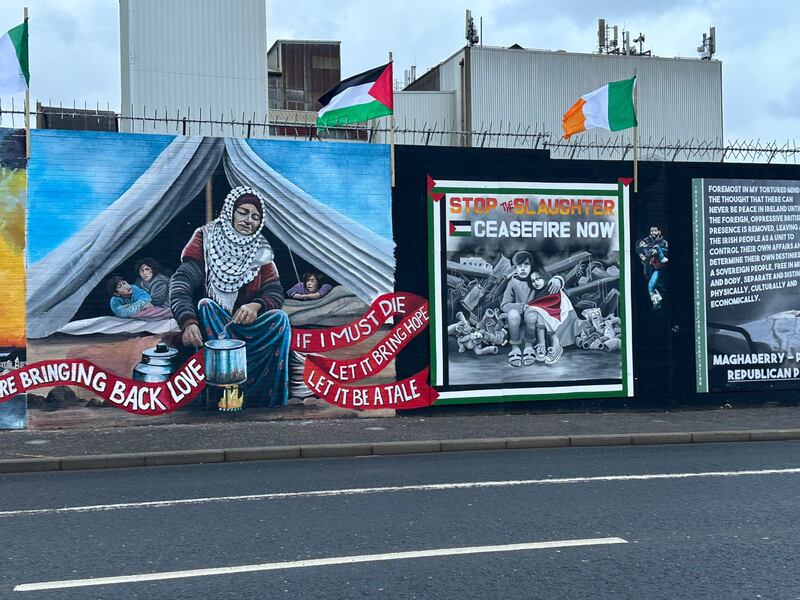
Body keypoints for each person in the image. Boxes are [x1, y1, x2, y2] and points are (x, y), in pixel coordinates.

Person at [170, 186, 291, 408]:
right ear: (230, 211)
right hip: (210, 327)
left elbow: (274, 291)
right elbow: (181, 284)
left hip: (246, 328)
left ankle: (265, 403)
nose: (248, 220)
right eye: (243, 212)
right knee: (206, 305)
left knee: (280, 319)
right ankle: (222, 397)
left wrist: (256, 305)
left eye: (255, 217)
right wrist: (188, 322)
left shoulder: (261, 249)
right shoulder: (205, 237)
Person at [501, 251, 571, 367]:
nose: (523, 269)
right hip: (517, 318)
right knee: (513, 313)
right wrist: (520, 307)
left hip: (534, 318)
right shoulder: (512, 282)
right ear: (515, 267)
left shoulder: (535, 278)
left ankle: (529, 347)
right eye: (519, 266)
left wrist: (558, 280)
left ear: (531, 266)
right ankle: (515, 348)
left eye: (526, 265)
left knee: (533, 313)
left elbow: (551, 279)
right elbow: (504, 305)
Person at [637, 226, 669, 309]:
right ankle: (656, 300)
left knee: (652, 286)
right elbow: (640, 248)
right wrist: (642, 256)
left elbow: (666, 251)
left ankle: (657, 301)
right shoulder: (646, 240)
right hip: (648, 267)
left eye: (654, 231)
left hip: (658, 267)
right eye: (651, 231)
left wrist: (658, 251)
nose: (652, 233)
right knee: (651, 285)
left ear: (659, 232)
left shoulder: (664, 242)